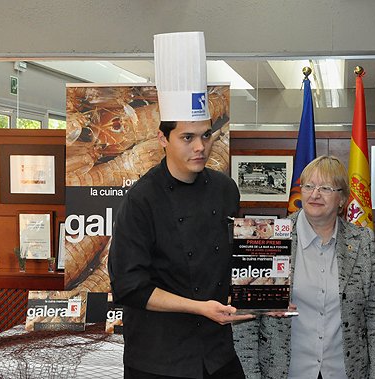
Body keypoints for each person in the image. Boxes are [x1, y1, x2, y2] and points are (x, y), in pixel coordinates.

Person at [108, 31, 252, 379]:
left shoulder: (225, 189)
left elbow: (236, 260)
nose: (200, 147)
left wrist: (265, 298)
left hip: (217, 354)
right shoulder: (142, 199)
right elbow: (129, 286)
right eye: (187, 137)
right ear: (163, 138)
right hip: (159, 359)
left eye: (205, 135)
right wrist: (199, 308)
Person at [234, 155, 375, 379]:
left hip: (345, 372)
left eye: (326, 188)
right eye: (309, 186)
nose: (315, 194)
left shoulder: (363, 242)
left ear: (342, 199)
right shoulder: (269, 238)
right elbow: (245, 317)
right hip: (284, 372)